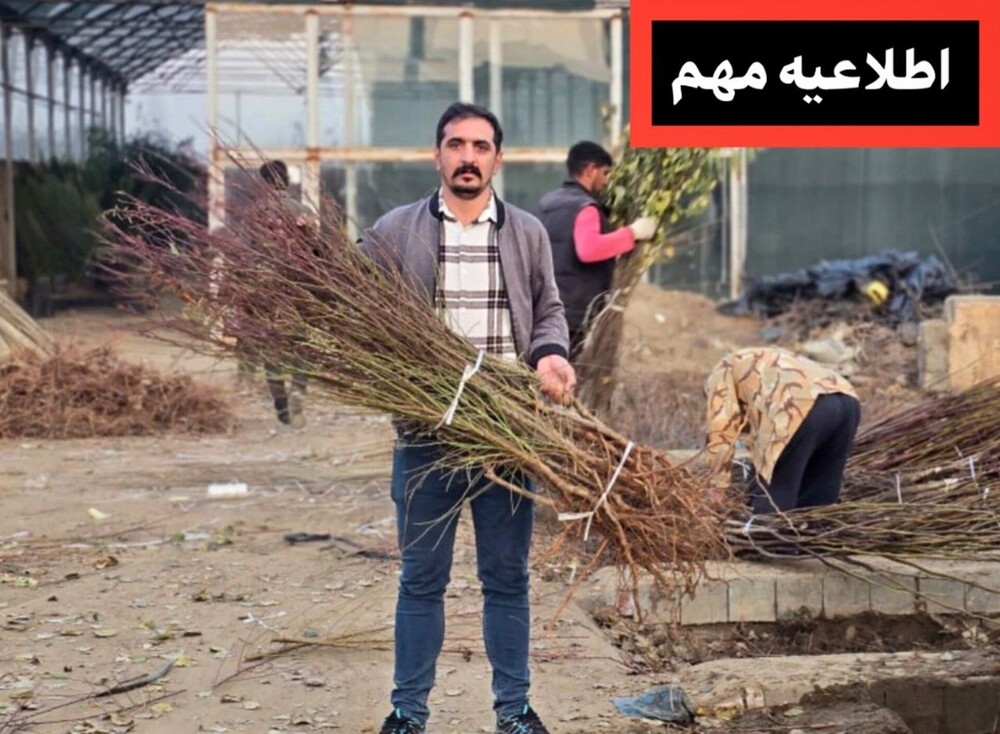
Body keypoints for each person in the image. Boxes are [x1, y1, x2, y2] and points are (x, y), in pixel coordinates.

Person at [360, 102, 574, 734]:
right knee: (420, 580)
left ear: (497, 159)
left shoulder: (526, 231)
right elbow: (353, 296)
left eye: (481, 147)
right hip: (426, 432)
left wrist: (552, 353)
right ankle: (407, 713)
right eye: (456, 145)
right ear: (438, 155)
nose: (468, 157)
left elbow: (549, 309)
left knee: (506, 580)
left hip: (505, 435)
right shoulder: (396, 230)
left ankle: (514, 712)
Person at [703, 347, 861, 514]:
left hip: (798, 405)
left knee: (771, 503)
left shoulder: (720, 373)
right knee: (817, 503)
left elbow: (721, 432)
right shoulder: (762, 359)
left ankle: (763, 530)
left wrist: (717, 486)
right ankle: (816, 530)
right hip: (847, 401)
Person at [537, 141, 658, 360]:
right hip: (575, 311)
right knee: (568, 371)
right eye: (605, 173)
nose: (606, 181)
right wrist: (632, 232)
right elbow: (589, 249)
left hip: (545, 305)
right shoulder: (585, 207)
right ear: (591, 170)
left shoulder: (548, 203)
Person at [258, 159, 311, 427]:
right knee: (303, 341)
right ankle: (299, 388)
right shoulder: (301, 210)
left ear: (264, 183)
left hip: (266, 286)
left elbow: (244, 251)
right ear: (287, 181)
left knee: (271, 345)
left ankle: (280, 403)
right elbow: (315, 247)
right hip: (298, 285)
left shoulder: (255, 213)